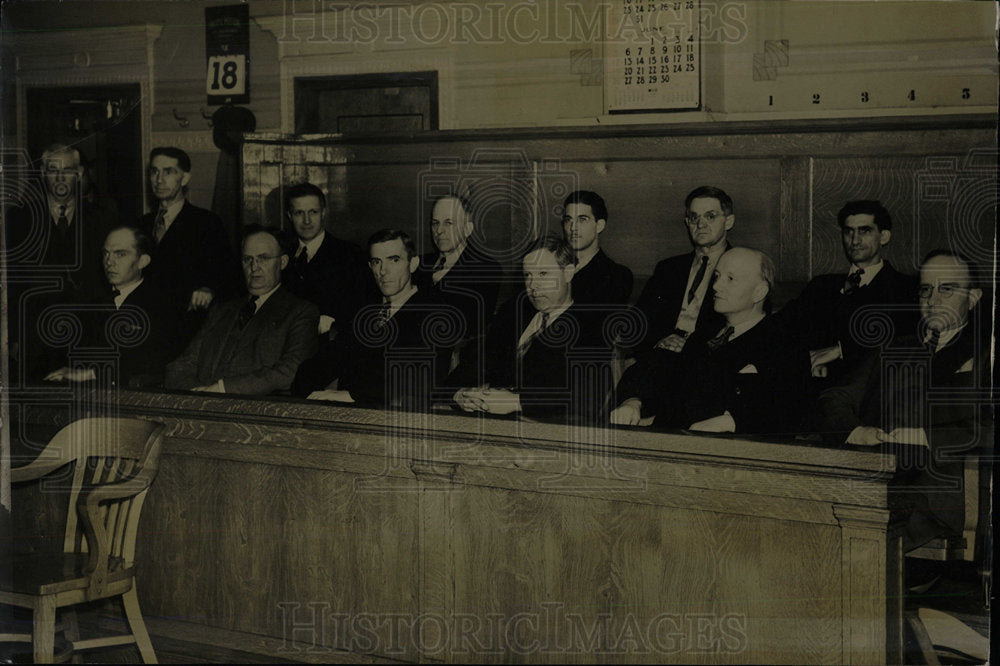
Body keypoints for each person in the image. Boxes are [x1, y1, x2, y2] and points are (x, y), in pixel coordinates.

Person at [816, 251, 991, 549]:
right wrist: (857, 430)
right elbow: (835, 398)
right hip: (879, 476)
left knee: (853, 534)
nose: (932, 299)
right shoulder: (893, 348)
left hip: (938, 485)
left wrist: (921, 436)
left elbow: (989, 428)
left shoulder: (986, 353)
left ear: (973, 298)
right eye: (925, 289)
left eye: (946, 288)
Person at [611, 247, 808, 435]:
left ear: (759, 292)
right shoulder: (705, 334)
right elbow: (661, 365)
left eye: (730, 279)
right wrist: (633, 401)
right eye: (717, 276)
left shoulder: (783, 342)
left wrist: (730, 422)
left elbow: (788, 406)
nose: (715, 286)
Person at [451, 235, 613, 423]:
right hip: (487, 423)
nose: (533, 286)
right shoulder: (511, 316)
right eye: (528, 275)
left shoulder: (591, 326)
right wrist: (460, 394)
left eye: (543, 274)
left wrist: (517, 402)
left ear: (568, 273)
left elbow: (587, 398)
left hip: (546, 433)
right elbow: (471, 366)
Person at [5, 143, 118, 382]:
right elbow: (11, 283)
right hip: (35, 339)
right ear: (43, 173)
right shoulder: (19, 219)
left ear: (79, 174)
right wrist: (14, 337)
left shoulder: (102, 218)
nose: (60, 177)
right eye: (52, 169)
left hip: (89, 336)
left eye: (67, 169)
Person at [164, 226, 318, 395]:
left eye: (263, 258)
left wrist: (223, 389)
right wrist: (200, 394)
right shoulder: (221, 310)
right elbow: (181, 365)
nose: (254, 267)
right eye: (247, 259)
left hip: (257, 412)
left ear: (283, 262)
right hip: (203, 406)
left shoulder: (300, 312)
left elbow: (291, 370)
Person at [776, 200, 918, 382]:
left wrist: (841, 350)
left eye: (864, 231)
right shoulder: (821, 285)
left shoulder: (905, 288)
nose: (855, 240)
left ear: (884, 237)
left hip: (868, 390)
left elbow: (905, 340)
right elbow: (782, 327)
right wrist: (804, 363)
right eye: (848, 231)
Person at [309, 229, 452, 408]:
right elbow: (324, 362)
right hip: (342, 413)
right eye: (377, 262)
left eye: (394, 260)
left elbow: (421, 382)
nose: (383, 271)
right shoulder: (363, 311)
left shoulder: (436, 314)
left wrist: (353, 395)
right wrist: (307, 394)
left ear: (413, 264)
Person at [44, 226, 178, 388]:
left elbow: (151, 365)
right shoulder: (93, 306)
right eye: (106, 253)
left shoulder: (162, 305)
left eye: (120, 254)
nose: (109, 262)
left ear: (143, 261)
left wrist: (90, 373)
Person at [138, 146, 240, 344]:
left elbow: (228, 276)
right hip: (145, 326)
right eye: (154, 172)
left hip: (186, 329)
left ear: (184, 178)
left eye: (168, 172)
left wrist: (209, 289)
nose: (159, 180)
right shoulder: (140, 225)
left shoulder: (207, 223)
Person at [281, 182, 373, 394]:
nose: (306, 220)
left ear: (323, 213)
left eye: (312, 212)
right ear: (289, 215)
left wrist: (334, 321)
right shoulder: (283, 255)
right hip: (284, 348)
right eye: (299, 213)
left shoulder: (349, 254)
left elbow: (363, 311)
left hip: (325, 353)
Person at [632, 186, 734, 356]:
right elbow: (640, 319)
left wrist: (689, 346)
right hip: (662, 353)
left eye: (710, 216)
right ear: (687, 223)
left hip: (707, 358)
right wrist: (661, 340)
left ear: (728, 221)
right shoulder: (669, 268)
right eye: (694, 217)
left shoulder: (742, 267)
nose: (701, 224)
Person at [413, 195, 503, 378]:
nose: (439, 231)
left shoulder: (486, 268)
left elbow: (465, 323)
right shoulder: (420, 264)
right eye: (435, 223)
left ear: (468, 229)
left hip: (453, 365)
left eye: (449, 223)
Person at [561, 190, 633, 305]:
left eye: (582, 220)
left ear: (599, 226)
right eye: (568, 220)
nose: (573, 227)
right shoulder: (553, 266)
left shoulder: (616, 275)